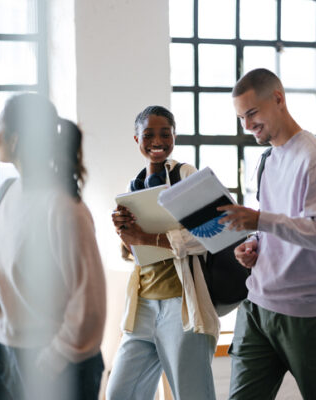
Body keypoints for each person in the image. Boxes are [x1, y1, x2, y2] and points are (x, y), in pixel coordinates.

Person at [218, 68, 316, 400]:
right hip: (258, 307)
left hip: (308, 315)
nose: (247, 125)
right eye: (240, 118)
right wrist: (253, 244)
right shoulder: (269, 159)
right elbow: (275, 227)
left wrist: (261, 221)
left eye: (252, 113)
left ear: (278, 99)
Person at [0, 93, 106, 400]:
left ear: (15, 139)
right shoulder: (7, 192)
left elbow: (90, 305)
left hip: (56, 362)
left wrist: (50, 362)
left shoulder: (64, 209)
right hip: (1, 351)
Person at [106, 105, 219, 400]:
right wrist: (124, 234)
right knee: (119, 393)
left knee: (192, 394)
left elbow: (208, 234)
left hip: (180, 307)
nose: (157, 141)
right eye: (149, 134)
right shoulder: (133, 187)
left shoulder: (187, 175)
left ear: (174, 137)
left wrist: (146, 236)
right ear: (136, 139)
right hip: (142, 307)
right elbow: (135, 253)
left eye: (165, 134)